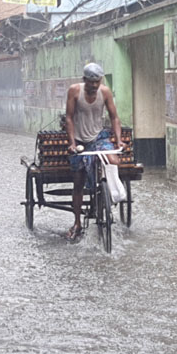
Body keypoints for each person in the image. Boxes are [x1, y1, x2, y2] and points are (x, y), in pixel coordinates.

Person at [65, 63, 125, 241]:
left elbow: (114, 117)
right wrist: (72, 142)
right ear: (85, 80)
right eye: (91, 82)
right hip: (80, 141)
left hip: (99, 138)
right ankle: (77, 222)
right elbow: (68, 117)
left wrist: (119, 139)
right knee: (78, 182)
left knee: (114, 161)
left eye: (97, 82)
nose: (94, 86)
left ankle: (108, 193)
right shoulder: (74, 91)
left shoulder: (105, 92)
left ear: (100, 81)